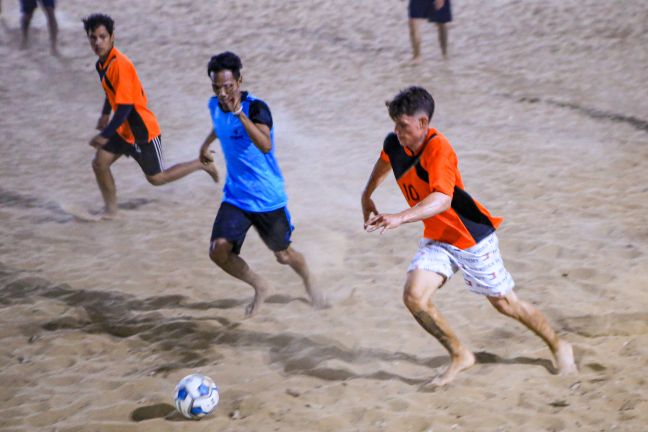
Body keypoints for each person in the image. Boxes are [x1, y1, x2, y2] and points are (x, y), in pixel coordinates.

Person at [361, 86, 577, 386]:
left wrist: (400, 217)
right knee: (414, 297)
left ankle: (558, 345)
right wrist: (367, 194)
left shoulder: (439, 149)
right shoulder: (395, 143)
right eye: (395, 125)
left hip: (469, 237)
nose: (397, 132)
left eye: (404, 126)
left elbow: (441, 200)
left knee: (505, 305)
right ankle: (460, 354)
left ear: (423, 123)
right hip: (438, 238)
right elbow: (386, 160)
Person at [199, 51, 325, 317]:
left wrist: (240, 115)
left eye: (228, 87)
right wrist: (206, 145)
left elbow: (266, 145)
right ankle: (260, 285)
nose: (222, 93)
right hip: (236, 197)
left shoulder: (257, 108)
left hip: (267, 198)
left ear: (240, 81)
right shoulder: (214, 105)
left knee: (284, 255)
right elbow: (219, 125)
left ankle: (309, 281)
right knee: (218, 250)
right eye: (217, 87)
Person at [83, 14, 219, 219]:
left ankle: (201, 164)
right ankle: (111, 211)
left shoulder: (120, 64)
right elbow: (111, 91)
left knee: (157, 178)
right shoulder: (102, 64)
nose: (97, 42)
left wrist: (106, 133)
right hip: (123, 130)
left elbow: (126, 107)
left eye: (102, 37)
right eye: (93, 37)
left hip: (142, 131)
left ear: (112, 37)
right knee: (99, 163)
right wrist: (104, 114)